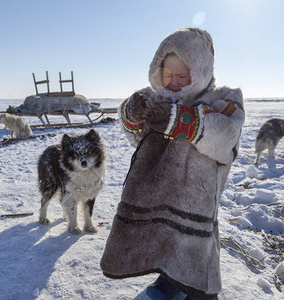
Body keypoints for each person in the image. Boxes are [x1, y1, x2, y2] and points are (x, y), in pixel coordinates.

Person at [100, 28, 245, 300]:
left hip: (196, 200)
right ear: (158, 69)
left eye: (183, 76)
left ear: (201, 70)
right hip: (156, 194)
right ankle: (165, 287)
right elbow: (133, 130)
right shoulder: (155, 97)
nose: (175, 83)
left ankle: (200, 294)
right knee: (165, 247)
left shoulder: (222, 101)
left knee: (196, 256)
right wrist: (134, 113)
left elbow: (227, 138)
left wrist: (179, 121)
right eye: (169, 75)